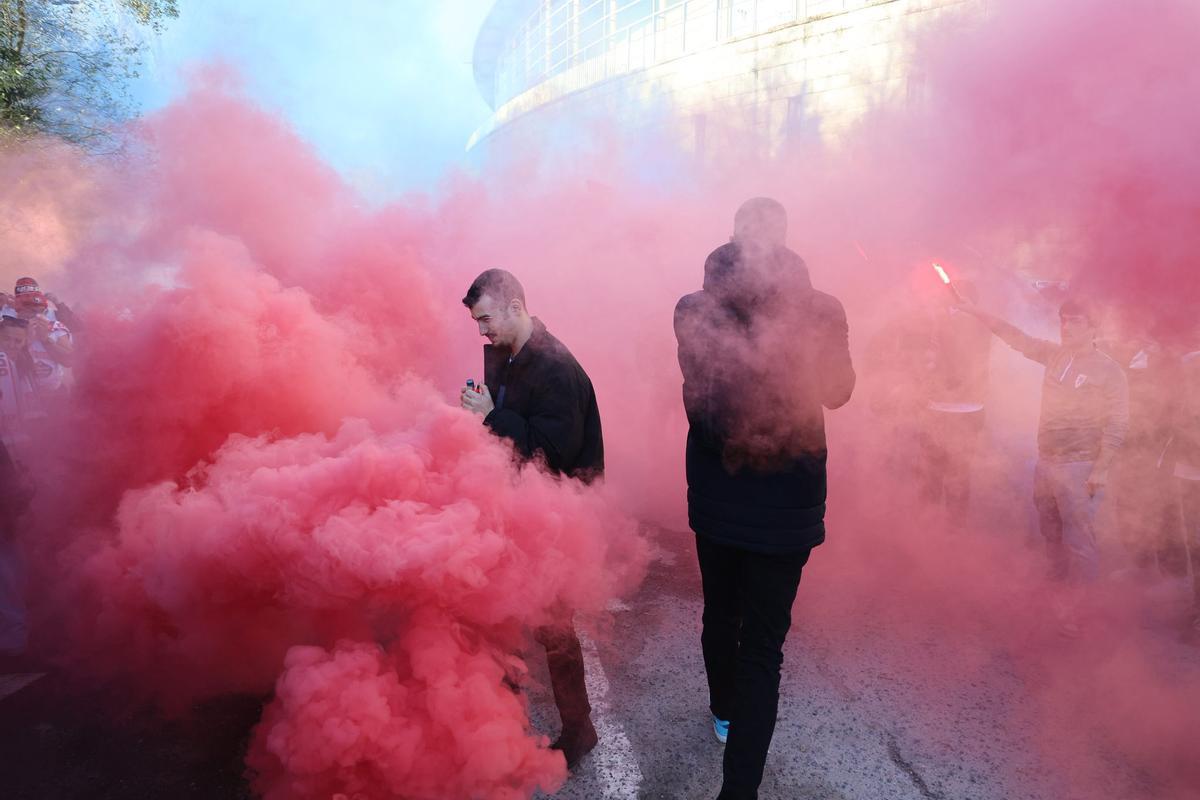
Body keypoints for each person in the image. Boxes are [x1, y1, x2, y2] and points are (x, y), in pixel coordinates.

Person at [674, 198, 855, 800]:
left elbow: (697, 397)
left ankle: (723, 712)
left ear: (731, 238)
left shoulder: (693, 309)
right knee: (764, 648)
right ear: (783, 242)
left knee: (720, 611)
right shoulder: (822, 310)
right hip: (788, 503)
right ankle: (739, 791)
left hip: (718, 494)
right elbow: (838, 393)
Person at [459, 268, 603, 768]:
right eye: (477, 323)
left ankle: (579, 731)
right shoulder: (504, 351)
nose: (482, 332)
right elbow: (504, 419)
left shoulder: (557, 370)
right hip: (519, 502)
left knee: (555, 626)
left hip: (558, 513)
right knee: (502, 599)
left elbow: (552, 456)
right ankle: (504, 690)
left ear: (516, 308)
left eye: (486, 320)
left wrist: (488, 416)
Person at [959, 298, 1129, 634]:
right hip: (1047, 461)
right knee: (1051, 534)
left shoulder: (1109, 370)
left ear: (1094, 327)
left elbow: (1117, 422)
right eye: (1064, 319)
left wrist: (1102, 469)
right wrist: (978, 311)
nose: (1068, 326)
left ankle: (1077, 613)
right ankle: (1055, 598)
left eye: (1077, 320)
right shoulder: (1055, 355)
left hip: (1080, 465)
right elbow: (1016, 337)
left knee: (1080, 541)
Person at [916, 279, 992, 518]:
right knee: (940, 475)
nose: (942, 301)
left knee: (950, 476)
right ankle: (938, 534)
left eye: (948, 298)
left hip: (959, 411)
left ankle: (946, 536)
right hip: (945, 408)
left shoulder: (971, 324)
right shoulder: (973, 323)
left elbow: (950, 360)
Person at [7, 278, 73, 394]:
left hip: (55, 392)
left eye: (38, 309)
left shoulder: (55, 326)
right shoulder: (9, 328)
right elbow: (6, 365)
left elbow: (69, 361)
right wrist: (26, 341)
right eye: (28, 309)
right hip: (22, 395)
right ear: (18, 311)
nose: (34, 314)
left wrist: (45, 339)